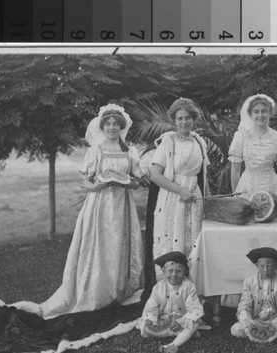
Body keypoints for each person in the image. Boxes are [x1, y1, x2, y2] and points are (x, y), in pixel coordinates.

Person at [39, 103, 145, 319]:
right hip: (99, 205)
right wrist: (95, 187)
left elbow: (137, 181)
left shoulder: (129, 151)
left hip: (122, 205)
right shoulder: (95, 151)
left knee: (119, 245)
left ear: (121, 127)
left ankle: (117, 291)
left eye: (116, 124)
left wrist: (128, 183)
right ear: (102, 127)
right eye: (108, 124)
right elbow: (86, 183)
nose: (112, 128)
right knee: (99, 246)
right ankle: (95, 293)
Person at [149, 98, 209, 277]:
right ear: (174, 121)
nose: (184, 122)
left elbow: (202, 176)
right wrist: (180, 190)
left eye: (188, 118)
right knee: (173, 237)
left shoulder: (199, 142)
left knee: (193, 239)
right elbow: (155, 175)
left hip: (194, 197)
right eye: (180, 118)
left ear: (194, 119)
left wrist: (206, 198)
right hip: (172, 197)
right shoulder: (168, 142)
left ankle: (191, 288)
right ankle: (169, 288)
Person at [229, 94, 277, 203]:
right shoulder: (241, 136)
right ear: (250, 114)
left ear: (270, 113)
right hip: (246, 188)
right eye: (256, 111)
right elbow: (235, 171)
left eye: (264, 111)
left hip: (272, 189)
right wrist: (236, 196)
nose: (260, 115)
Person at [140, 251, 204, 353]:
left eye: (178, 271)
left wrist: (181, 322)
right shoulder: (158, 287)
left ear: (184, 272)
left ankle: (172, 345)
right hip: (163, 319)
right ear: (163, 271)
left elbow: (194, 308)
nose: (174, 275)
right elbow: (151, 307)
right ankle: (181, 334)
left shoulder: (188, 286)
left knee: (194, 323)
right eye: (170, 271)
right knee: (146, 325)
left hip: (181, 320)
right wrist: (150, 319)